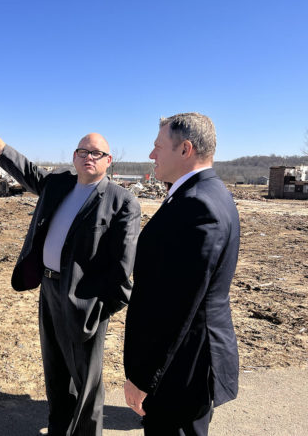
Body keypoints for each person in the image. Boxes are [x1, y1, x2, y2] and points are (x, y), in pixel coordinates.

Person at [0, 116, 141, 436]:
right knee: (57, 374)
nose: (89, 156)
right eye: (82, 151)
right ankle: (59, 429)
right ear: (74, 157)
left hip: (84, 301)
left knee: (86, 383)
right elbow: (26, 170)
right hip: (49, 289)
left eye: (97, 153)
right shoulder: (58, 185)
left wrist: (97, 309)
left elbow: (122, 268)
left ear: (109, 161)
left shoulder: (121, 201)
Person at [123, 113, 240, 435]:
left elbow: (178, 305)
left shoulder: (199, 206)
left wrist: (145, 378)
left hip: (183, 366)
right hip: (184, 361)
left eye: (158, 147)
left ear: (185, 149)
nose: (151, 155)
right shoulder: (200, 194)